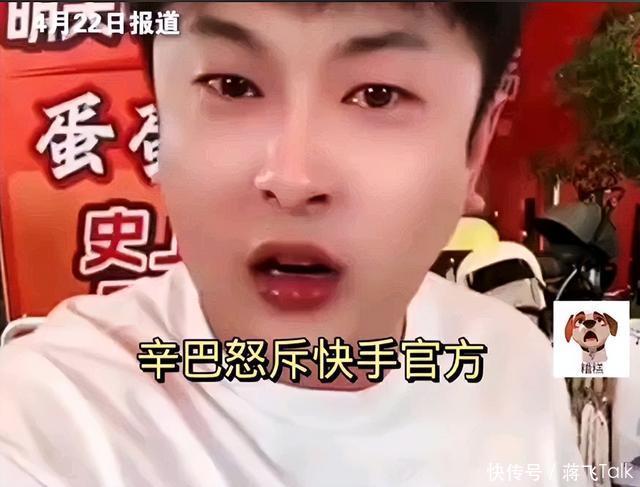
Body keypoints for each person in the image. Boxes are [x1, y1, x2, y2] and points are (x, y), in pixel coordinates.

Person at [0, 3, 587, 486]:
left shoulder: (513, 366)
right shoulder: (49, 414)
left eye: (378, 94)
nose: (292, 179)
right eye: (232, 86)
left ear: (475, 149)